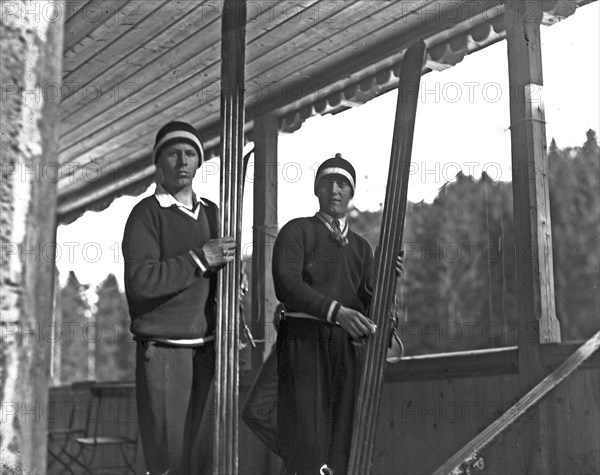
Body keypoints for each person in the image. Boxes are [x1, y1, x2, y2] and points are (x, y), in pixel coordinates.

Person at [272, 154, 403, 474]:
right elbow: (286, 285)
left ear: (352, 192)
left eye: (343, 183)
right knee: (308, 438)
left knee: (343, 436)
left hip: (345, 350)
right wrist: (335, 311)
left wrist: (388, 280)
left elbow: (370, 309)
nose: (335, 189)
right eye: (327, 182)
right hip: (303, 344)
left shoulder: (361, 248)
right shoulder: (297, 231)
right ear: (317, 190)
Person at [122, 121, 236, 475]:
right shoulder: (146, 214)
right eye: (173, 153)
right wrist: (200, 259)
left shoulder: (216, 214)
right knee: (169, 462)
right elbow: (141, 282)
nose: (182, 161)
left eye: (190, 154)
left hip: (210, 351)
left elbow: (228, 275)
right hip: (165, 352)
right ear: (159, 161)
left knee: (204, 462)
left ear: (199, 162)